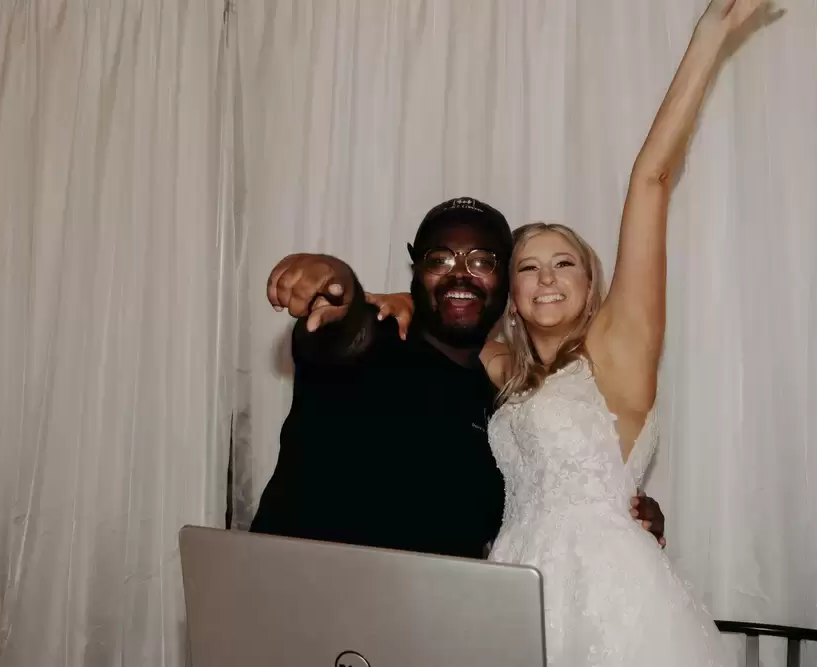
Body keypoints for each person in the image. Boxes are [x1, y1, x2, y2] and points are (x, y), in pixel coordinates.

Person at [373, 1, 777, 664]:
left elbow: (651, 179)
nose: (547, 278)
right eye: (528, 267)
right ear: (511, 294)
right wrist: (400, 298)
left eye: (564, 263)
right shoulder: (504, 370)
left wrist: (709, 38)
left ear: (593, 284)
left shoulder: (618, 352)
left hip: (610, 600)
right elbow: (442, 314)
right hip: (511, 586)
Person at [250, 196, 665, 559]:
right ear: (417, 271)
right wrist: (333, 277)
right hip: (295, 598)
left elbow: (539, 499)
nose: (460, 273)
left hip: (435, 618)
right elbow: (344, 328)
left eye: (482, 261)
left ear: (507, 287)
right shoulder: (377, 336)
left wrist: (618, 511)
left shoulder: (509, 404)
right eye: (439, 260)